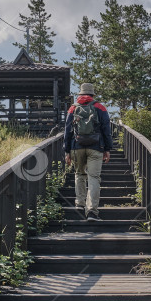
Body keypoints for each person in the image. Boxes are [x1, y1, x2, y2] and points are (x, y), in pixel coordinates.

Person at [63, 83, 112, 221]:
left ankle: (79, 204)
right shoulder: (100, 107)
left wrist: (67, 151)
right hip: (96, 147)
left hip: (76, 146)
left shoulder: (73, 108)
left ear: (80, 94)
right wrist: (107, 149)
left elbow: (67, 131)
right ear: (92, 94)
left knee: (79, 174)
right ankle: (91, 212)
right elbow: (106, 130)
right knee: (94, 178)